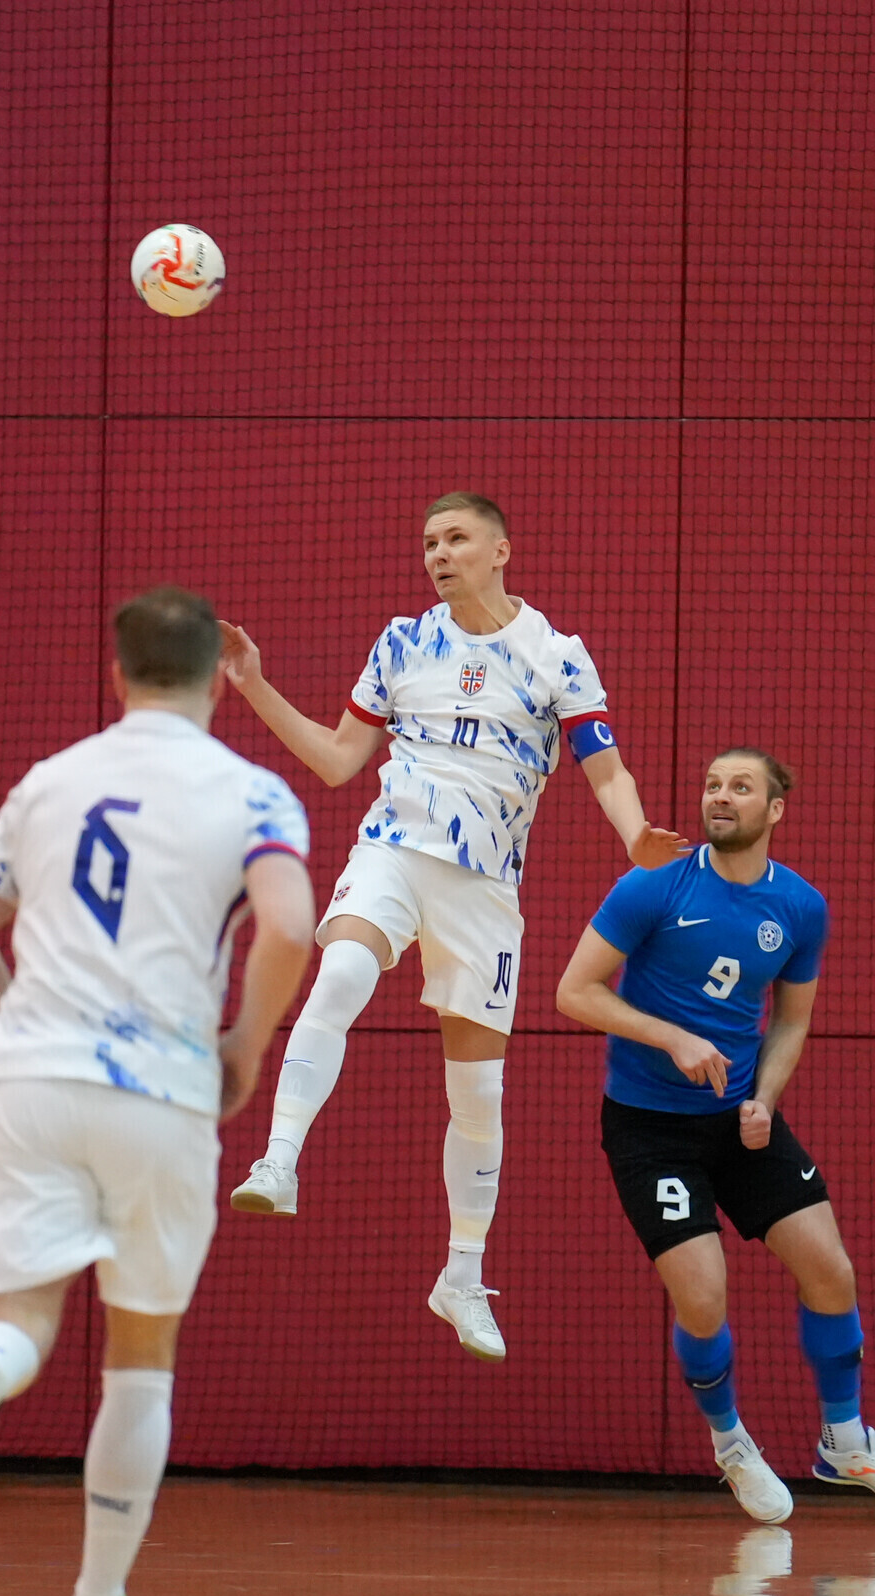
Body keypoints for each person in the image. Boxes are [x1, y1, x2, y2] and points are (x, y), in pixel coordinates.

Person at [0, 587, 316, 1596]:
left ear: (117, 672)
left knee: (20, 1319)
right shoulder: (254, 790)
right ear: (219, 675)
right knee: (140, 1355)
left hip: (34, 1079)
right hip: (163, 1088)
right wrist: (246, 1047)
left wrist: (24, 1040)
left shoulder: (48, 781)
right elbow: (289, 923)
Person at [219, 492, 681, 1362]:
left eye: (457, 538)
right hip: (393, 850)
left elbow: (607, 771)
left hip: (485, 888)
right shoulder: (401, 642)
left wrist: (635, 838)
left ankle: (461, 1276)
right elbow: (337, 760)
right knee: (342, 974)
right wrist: (254, 684)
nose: (438, 553)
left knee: (478, 1095)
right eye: (429, 541)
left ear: (501, 550)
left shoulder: (557, 655)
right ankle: (277, 1160)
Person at [556, 747, 875, 1521]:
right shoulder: (654, 884)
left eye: (740, 787)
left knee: (830, 1268)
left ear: (774, 809)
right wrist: (671, 1037)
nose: (720, 797)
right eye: (712, 785)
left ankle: (844, 1443)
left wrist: (764, 1098)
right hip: (650, 1129)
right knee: (704, 1298)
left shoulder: (800, 907)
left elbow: (791, 1021)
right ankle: (731, 1444)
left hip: (738, 1122)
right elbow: (574, 992)